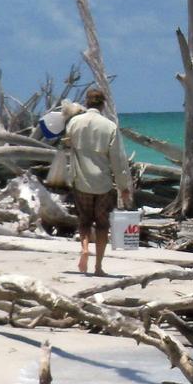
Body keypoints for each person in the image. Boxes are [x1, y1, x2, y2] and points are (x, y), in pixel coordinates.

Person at [65, 88, 132, 276]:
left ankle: (85, 248)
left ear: (86, 103)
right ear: (103, 105)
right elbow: (118, 160)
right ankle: (98, 267)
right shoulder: (109, 127)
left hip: (81, 181)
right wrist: (123, 187)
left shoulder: (74, 123)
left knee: (84, 221)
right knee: (102, 225)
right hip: (102, 184)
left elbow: (66, 143)